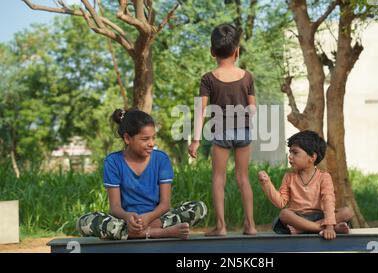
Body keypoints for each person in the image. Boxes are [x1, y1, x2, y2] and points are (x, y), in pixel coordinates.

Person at [76, 108, 207, 240]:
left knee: (199, 208)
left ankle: (128, 233)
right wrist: (128, 217)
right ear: (127, 138)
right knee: (84, 222)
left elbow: (165, 204)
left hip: (156, 218)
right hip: (126, 221)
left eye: (153, 138)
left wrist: (148, 218)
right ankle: (158, 233)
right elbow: (115, 208)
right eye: (145, 139)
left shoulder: (161, 159)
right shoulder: (113, 162)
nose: (151, 143)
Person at [188, 23, 257, 236]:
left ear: (212, 52)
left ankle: (221, 226)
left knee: (219, 178)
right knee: (243, 177)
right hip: (244, 130)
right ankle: (251, 225)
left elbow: (201, 111)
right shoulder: (247, 77)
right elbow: (253, 108)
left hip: (221, 132)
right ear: (237, 51)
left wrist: (196, 140)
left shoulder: (208, 78)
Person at [257, 130, 354, 240]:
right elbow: (280, 203)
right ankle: (318, 228)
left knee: (347, 212)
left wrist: (330, 226)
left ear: (312, 157)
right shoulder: (289, 177)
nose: (290, 156)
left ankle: (301, 229)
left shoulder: (324, 177)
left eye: (295, 152)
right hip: (297, 218)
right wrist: (266, 183)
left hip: (319, 216)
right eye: (290, 152)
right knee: (284, 214)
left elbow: (328, 200)